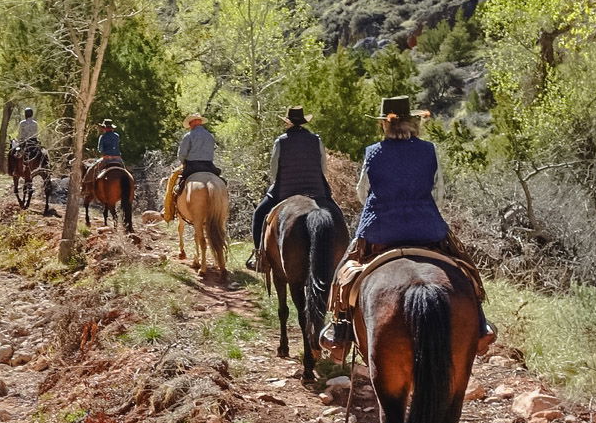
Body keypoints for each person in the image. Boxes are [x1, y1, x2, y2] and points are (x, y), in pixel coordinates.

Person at [318, 96, 493, 360]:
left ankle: (339, 332)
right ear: (413, 123)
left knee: (344, 272)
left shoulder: (373, 152)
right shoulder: (429, 150)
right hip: (427, 229)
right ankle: (480, 325)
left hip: (380, 230)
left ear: (384, 125)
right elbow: (438, 193)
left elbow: (362, 192)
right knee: (466, 268)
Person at [245, 107, 346, 271]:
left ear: (288, 123)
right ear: (303, 122)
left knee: (258, 215)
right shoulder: (316, 140)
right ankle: (344, 256)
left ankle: (260, 257)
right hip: (316, 190)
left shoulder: (280, 141)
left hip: (285, 190)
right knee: (337, 214)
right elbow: (323, 169)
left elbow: (274, 171)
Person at [162, 113, 221, 221]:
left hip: (192, 166)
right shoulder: (210, 136)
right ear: (200, 122)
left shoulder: (189, 136)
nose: (189, 125)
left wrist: (183, 163)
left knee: (173, 181)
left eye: (190, 122)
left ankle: (168, 212)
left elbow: (182, 154)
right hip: (209, 166)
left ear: (194, 122)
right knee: (222, 182)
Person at [85, 118, 123, 185]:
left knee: (93, 170)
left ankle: (91, 186)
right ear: (112, 128)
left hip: (106, 159)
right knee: (125, 169)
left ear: (104, 128)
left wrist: (101, 152)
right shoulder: (117, 136)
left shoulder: (102, 137)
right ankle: (133, 185)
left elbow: (100, 149)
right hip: (117, 159)